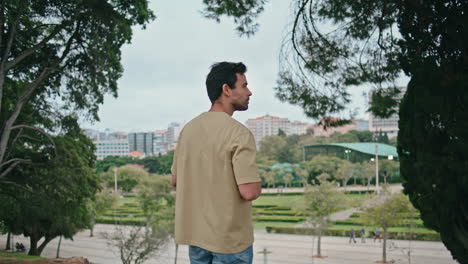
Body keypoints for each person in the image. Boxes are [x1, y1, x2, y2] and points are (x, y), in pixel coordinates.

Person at [171, 62, 261, 264]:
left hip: (198, 239)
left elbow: (176, 180)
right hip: (230, 242)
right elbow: (249, 192)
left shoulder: (188, 130)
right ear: (226, 89)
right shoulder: (239, 133)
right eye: (244, 85)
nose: (250, 92)